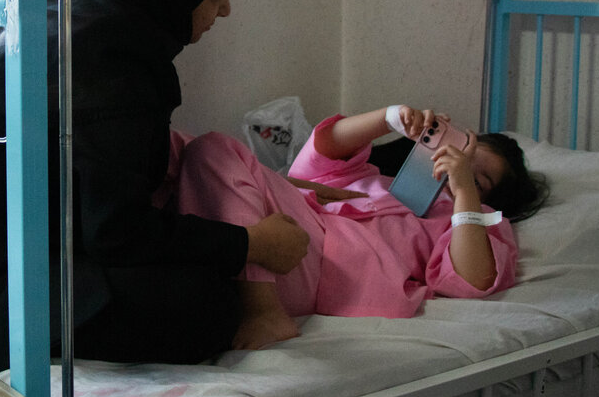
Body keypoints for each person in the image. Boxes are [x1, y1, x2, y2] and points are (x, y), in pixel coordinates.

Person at [0, 0, 309, 368]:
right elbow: (118, 233)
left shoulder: (59, 5)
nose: (225, 11)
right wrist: (250, 244)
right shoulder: (111, 53)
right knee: (207, 302)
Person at [169, 106, 549, 347]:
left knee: (214, 148)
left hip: (317, 260)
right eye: (461, 154)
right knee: (179, 147)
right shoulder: (381, 182)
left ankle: (262, 310)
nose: (455, 166)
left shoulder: (477, 221)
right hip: (281, 221)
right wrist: (389, 118)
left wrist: (464, 189)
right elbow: (323, 150)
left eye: (479, 178)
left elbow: (473, 277)